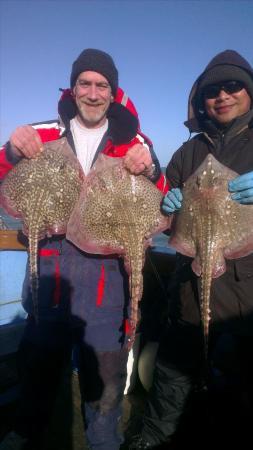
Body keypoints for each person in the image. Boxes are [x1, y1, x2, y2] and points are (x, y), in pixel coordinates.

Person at [0, 48, 167, 450]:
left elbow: (159, 197)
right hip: (49, 270)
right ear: (73, 89)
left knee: (103, 378)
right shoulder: (43, 133)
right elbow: (4, 176)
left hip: (106, 282)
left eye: (102, 85)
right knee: (38, 366)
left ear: (113, 92)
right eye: (85, 83)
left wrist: (150, 168)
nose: (93, 93)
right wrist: (10, 150)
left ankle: (103, 439)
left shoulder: (135, 141)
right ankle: (25, 431)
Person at [130, 49, 253, 449]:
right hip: (187, 290)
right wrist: (165, 202)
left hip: (245, 304)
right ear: (201, 99)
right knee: (170, 387)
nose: (223, 96)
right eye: (213, 90)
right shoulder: (187, 152)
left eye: (233, 86)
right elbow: (165, 216)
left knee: (235, 395)